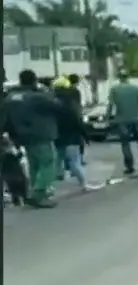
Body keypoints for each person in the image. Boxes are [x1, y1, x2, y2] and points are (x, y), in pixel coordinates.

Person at [1, 69, 62, 207]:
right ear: (34, 80)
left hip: (22, 135)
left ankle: (35, 192)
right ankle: (38, 193)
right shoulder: (37, 96)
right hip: (41, 133)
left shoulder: (11, 97)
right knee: (48, 163)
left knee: (34, 165)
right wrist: (46, 91)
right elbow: (57, 105)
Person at [51, 80, 99, 192]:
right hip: (72, 138)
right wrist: (86, 137)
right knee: (74, 162)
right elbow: (78, 123)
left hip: (58, 139)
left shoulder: (52, 104)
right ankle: (83, 183)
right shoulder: (70, 105)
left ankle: (50, 187)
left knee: (57, 162)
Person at [106, 70, 138, 176]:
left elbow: (110, 105)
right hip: (136, 118)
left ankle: (130, 166)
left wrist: (107, 118)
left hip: (122, 120)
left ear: (119, 78)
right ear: (127, 78)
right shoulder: (136, 88)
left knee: (125, 144)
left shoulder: (114, 89)